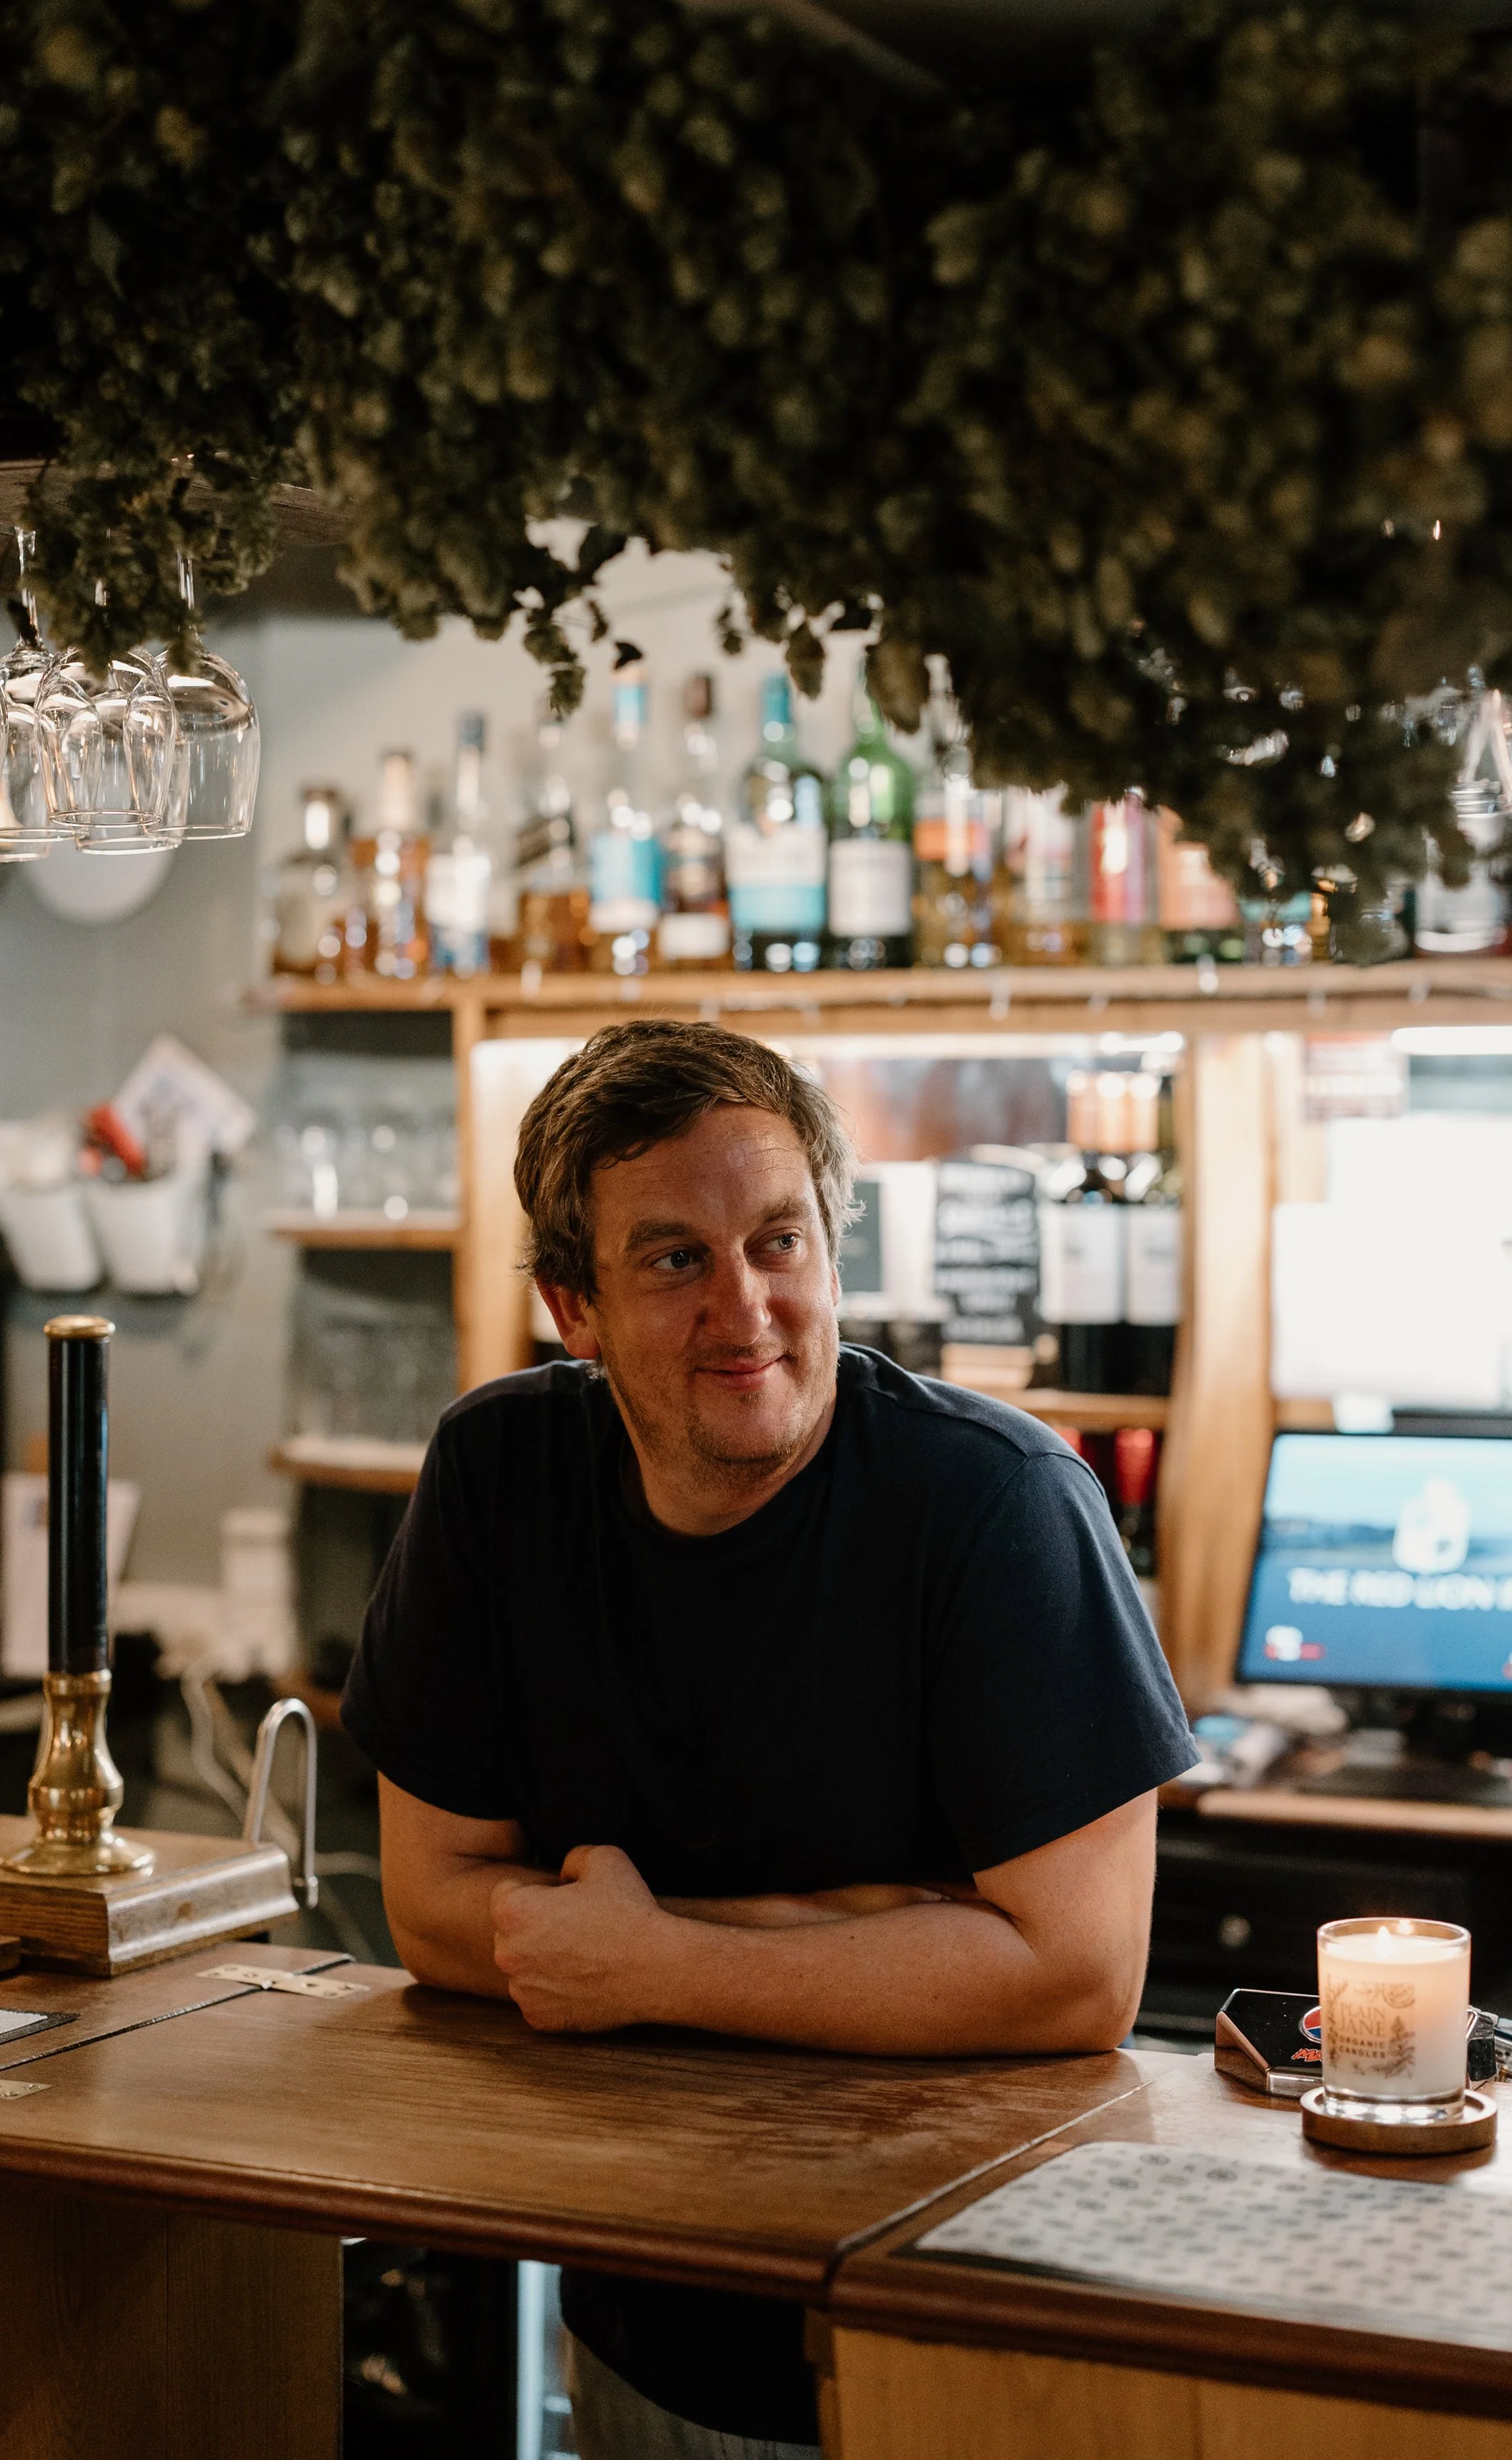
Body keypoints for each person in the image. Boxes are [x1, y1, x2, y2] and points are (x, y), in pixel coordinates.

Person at [342, 1020, 1194, 2460]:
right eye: (674, 1258)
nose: (744, 1308)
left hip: (966, 2334)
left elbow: (1073, 1974)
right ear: (575, 1305)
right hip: (648, 2319)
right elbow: (429, 1904)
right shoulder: (498, 1475)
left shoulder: (996, 1504)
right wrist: (891, 1932)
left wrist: (647, 1957)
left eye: (779, 1242)